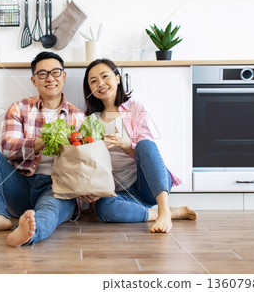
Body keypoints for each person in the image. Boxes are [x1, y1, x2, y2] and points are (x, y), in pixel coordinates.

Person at [0, 51, 84, 247]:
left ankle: (27, 233)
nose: (50, 78)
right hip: (21, 184)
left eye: (56, 72)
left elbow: (84, 161)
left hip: (58, 187)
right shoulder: (19, 108)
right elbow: (7, 148)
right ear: (34, 80)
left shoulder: (79, 116)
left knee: (51, 209)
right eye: (43, 74)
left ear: (64, 76)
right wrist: (38, 142)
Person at [81, 58, 197, 233]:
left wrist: (127, 146)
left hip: (147, 184)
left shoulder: (134, 108)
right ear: (90, 88)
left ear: (118, 79)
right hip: (121, 192)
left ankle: (164, 211)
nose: (100, 83)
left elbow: (147, 150)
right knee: (103, 209)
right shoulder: (89, 120)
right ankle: (167, 213)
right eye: (94, 81)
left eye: (105, 76)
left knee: (144, 144)